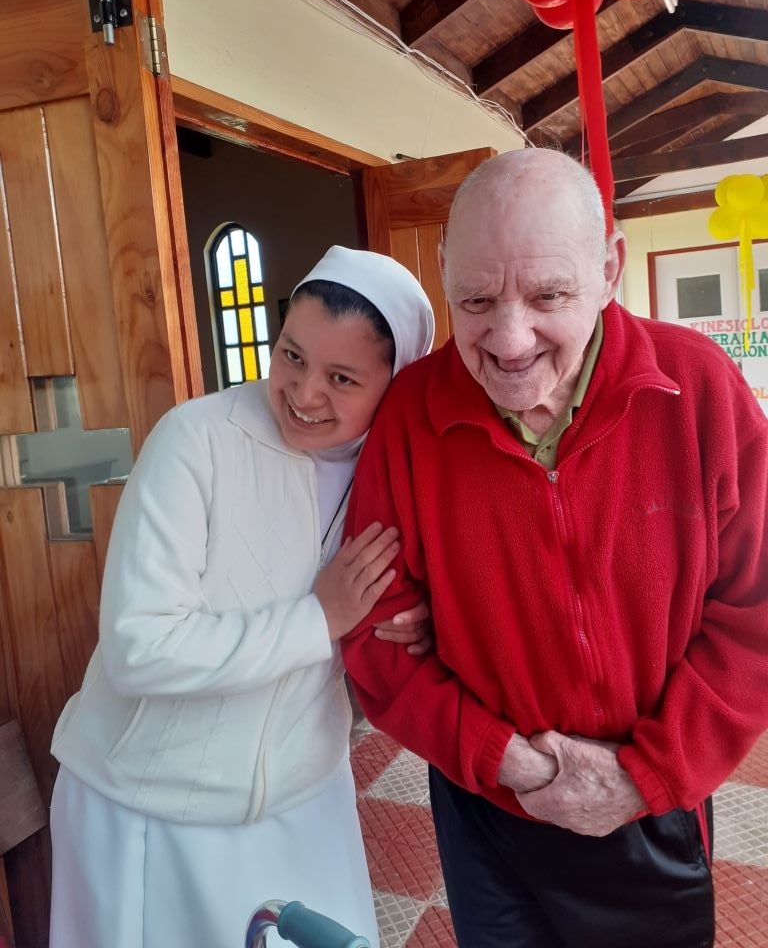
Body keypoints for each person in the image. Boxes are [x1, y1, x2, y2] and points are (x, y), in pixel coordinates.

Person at [342, 149, 768, 948]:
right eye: (475, 299)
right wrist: (504, 759)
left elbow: (757, 611)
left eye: (548, 296)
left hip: (652, 795)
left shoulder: (699, 390)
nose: (509, 342)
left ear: (609, 269)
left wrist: (643, 775)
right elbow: (375, 631)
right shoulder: (409, 415)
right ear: (441, 273)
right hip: (486, 800)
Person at [49, 246, 435, 948]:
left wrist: (421, 624)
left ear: (395, 384)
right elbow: (140, 648)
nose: (303, 392)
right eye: (291, 355)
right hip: (153, 804)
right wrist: (318, 617)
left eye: (341, 377)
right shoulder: (197, 440)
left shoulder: (396, 474)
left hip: (303, 797)